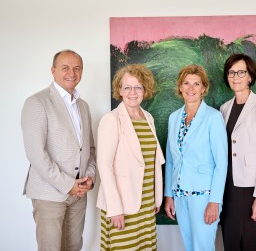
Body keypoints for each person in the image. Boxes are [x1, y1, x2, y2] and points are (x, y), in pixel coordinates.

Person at [21, 49, 96, 250]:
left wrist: (89, 177)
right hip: (49, 195)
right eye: (65, 68)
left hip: (79, 195)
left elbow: (89, 149)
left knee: (74, 246)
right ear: (53, 70)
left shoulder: (83, 106)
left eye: (77, 68)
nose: (71, 73)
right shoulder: (37, 102)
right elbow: (36, 154)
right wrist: (67, 184)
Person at [96, 64, 165, 250]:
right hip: (122, 204)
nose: (132, 92)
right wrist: (115, 209)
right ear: (120, 90)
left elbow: (152, 162)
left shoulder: (148, 117)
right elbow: (104, 166)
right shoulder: (111, 119)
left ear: (145, 90)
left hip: (146, 203)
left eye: (138, 87)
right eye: (127, 87)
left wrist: (155, 198)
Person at [164, 64, 228, 251]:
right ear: (180, 87)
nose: (191, 88)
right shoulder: (174, 118)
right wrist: (169, 194)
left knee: (203, 248)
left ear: (204, 88)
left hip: (204, 196)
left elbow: (221, 163)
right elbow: (171, 159)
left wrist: (215, 201)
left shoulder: (213, 117)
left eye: (196, 84)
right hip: (180, 194)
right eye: (186, 83)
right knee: (190, 247)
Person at [219, 54, 256, 251]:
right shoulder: (224, 108)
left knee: (253, 243)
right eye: (231, 72)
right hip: (228, 187)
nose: (236, 76)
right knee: (231, 241)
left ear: (250, 76)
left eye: (241, 72)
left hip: (251, 188)